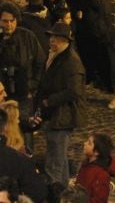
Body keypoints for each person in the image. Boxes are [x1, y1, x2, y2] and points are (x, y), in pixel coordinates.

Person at [34, 21, 86, 186]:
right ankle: (63, 192)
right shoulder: (55, 57)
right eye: (52, 37)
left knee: (55, 162)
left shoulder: (71, 61)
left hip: (63, 116)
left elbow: (74, 91)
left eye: (56, 38)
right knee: (60, 159)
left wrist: (49, 101)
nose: (52, 41)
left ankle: (55, 193)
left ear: (66, 40)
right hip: (56, 115)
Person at [75, 133, 115, 203]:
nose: (84, 143)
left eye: (89, 143)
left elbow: (99, 200)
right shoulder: (86, 165)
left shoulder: (101, 174)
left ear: (96, 152)